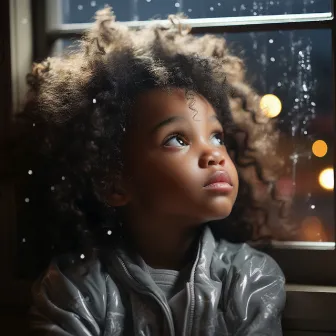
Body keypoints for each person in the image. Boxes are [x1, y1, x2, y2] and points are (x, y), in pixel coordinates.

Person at [7, 7, 286, 336]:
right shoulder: (73, 292)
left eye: (217, 136)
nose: (214, 154)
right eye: (177, 139)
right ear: (113, 183)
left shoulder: (251, 277)